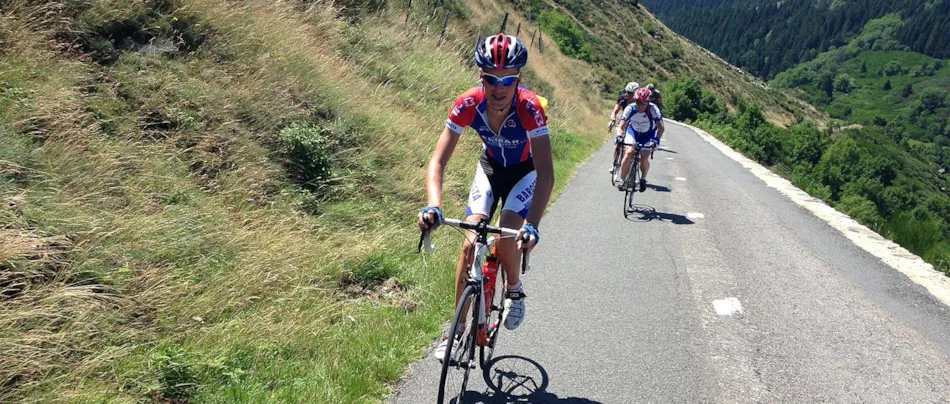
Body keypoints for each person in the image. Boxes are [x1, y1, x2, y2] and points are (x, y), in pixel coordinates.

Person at [417, 33, 554, 361]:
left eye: (508, 79)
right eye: (491, 78)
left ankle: (515, 290)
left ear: (518, 79)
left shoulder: (529, 108)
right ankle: (458, 328)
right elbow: (437, 160)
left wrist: (532, 225)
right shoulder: (468, 103)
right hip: (490, 168)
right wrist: (434, 205)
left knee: (508, 234)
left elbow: (547, 174)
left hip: (526, 173)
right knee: (469, 244)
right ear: (481, 77)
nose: (499, 87)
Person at [616, 87, 664, 192]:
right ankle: (622, 180)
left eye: (643, 103)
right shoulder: (630, 108)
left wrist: (656, 140)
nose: (640, 106)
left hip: (648, 134)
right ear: (635, 100)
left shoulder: (653, 109)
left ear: (648, 102)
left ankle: (643, 178)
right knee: (628, 152)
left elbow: (661, 127)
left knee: (644, 157)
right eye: (638, 102)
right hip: (633, 132)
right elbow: (621, 126)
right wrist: (619, 136)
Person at [608, 82, 639, 174]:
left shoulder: (639, 100)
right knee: (618, 143)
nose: (629, 95)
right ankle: (614, 164)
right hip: (624, 121)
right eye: (628, 92)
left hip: (635, 123)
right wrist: (612, 119)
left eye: (632, 93)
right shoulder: (623, 98)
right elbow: (615, 111)